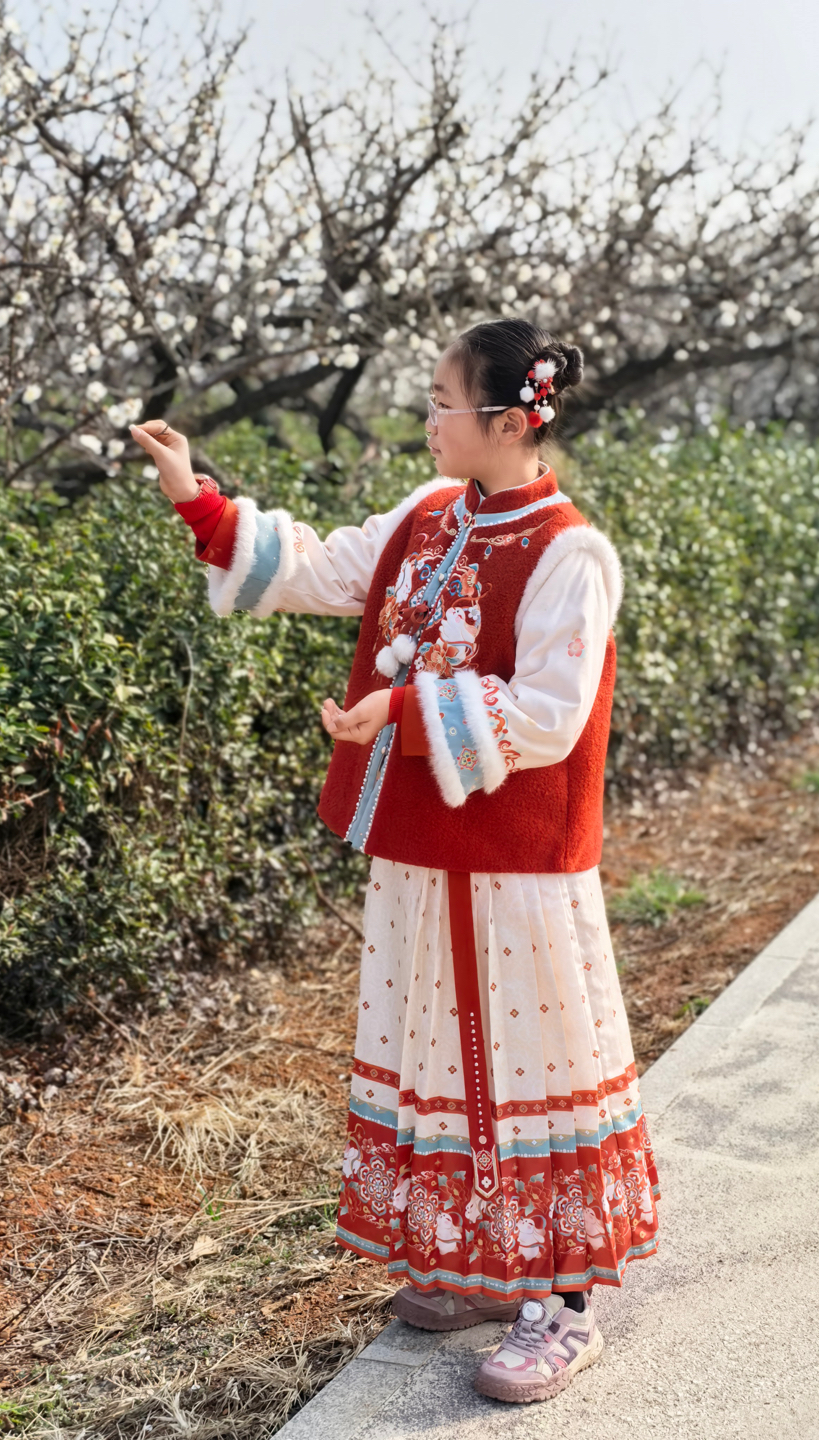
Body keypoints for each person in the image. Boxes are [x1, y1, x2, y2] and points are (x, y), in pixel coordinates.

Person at [131, 317, 661, 1405]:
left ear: (507, 422)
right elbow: (320, 566)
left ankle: (562, 1305)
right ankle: (478, 1266)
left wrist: (406, 710)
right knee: (445, 1058)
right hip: (424, 854)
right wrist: (198, 499)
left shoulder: (571, 554)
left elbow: (551, 714)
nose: (427, 420)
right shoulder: (427, 518)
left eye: (441, 402)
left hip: (518, 869)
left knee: (531, 1064)